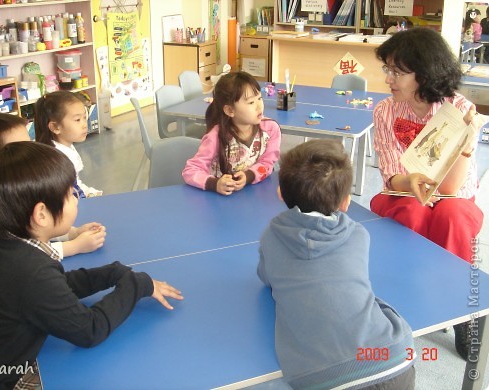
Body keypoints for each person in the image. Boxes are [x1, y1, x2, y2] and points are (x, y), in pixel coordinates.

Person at [0, 142, 183, 389]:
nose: (75, 198)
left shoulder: (5, 245)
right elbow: (89, 330)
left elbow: (56, 288)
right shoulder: (30, 272)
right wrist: (137, 284)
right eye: (69, 194)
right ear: (41, 215)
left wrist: (111, 273)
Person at [257, 139, 415, 390]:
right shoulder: (359, 235)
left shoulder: (271, 237)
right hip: (394, 360)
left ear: (280, 194)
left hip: (324, 379)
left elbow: (266, 277)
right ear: (346, 202)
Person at [371, 27, 486, 360]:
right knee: (411, 213)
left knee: (451, 219)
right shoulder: (385, 111)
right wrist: (412, 183)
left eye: (397, 71)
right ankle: (402, 298)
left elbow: (450, 189)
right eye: (387, 69)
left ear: (423, 74)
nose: (388, 78)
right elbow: (392, 176)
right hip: (404, 192)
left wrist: (464, 147)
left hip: (454, 197)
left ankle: (462, 311)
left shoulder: (458, 109)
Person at [0, 112, 106, 262]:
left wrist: (72, 233)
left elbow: (34, 227)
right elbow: (23, 252)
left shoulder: (20, 187)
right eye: (19, 149)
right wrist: (74, 246)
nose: (32, 153)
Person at [182, 71, 281, 195]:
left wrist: (249, 176)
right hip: (218, 200)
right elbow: (190, 171)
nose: (259, 106)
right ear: (230, 110)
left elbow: (267, 162)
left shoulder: (271, 129)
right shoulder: (216, 136)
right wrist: (215, 184)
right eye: (251, 102)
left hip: (252, 195)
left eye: (259, 98)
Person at [35, 90, 102, 197]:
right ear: (55, 127)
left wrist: (88, 192)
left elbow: (75, 182)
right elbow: (69, 193)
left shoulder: (65, 146)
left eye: (85, 117)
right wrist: (87, 195)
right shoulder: (59, 159)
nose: (84, 124)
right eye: (77, 120)